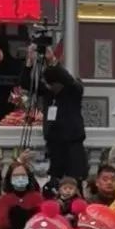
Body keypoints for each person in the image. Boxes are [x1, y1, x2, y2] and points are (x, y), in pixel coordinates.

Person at [38, 49, 88, 182]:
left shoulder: (73, 91)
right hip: (54, 143)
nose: (51, 87)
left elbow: (67, 79)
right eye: (49, 84)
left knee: (75, 179)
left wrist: (53, 61)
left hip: (73, 143)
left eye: (54, 84)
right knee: (55, 179)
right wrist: (29, 63)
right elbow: (27, 83)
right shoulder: (48, 94)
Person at [0, 163, 44, 229]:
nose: (20, 178)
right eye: (16, 176)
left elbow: (42, 220)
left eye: (23, 175)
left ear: (28, 177)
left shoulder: (37, 197)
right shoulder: (5, 199)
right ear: (10, 178)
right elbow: (1, 224)